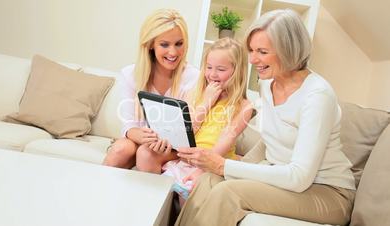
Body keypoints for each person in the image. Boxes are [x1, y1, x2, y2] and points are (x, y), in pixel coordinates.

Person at [175, 9, 356, 226]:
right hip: (290, 182)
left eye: (262, 51)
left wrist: (224, 166)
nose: (252, 60)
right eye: (251, 50)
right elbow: (269, 141)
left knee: (228, 192)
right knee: (207, 180)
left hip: (328, 193)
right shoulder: (267, 84)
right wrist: (217, 169)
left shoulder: (317, 95)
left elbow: (299, 177)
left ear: (288, 50)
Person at [157, 38, 253, 199]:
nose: (212, 74)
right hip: (188, 159)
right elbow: (185, 133)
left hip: (213, 163)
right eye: (208, 67)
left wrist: (201, 169)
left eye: (221, 69)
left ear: (237, 71)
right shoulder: (195, 94)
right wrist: (207, 102)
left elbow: (226, 141)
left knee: (190, 191)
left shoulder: (244, 106)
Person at [102, 9, 199, 168]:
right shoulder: (130, 74)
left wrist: (164, 140)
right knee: (120, 149)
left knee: (146, 152)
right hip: (140, 140)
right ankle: (96, 189)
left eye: (179, 44)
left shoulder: (193, 77)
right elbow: (128, 125)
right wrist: (142, 136)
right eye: (164, 44)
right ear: (151, 45)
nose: (173, 52)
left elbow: (190, 130)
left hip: (175, 148)